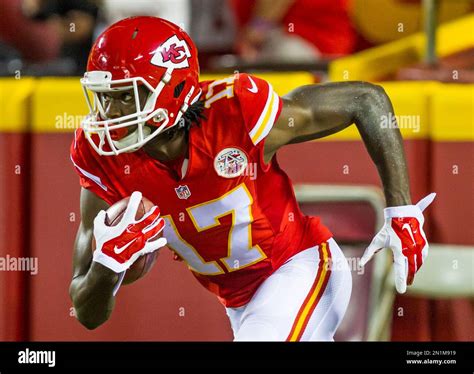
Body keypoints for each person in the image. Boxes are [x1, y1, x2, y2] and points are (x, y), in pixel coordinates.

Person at [69, 16, 435, 341]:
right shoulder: (102, 156)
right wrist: (107, 267)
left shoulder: (234, 110)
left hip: (301, 266)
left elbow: (366, 100)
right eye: (103, 99)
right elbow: (86, 313)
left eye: (125, 98)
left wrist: (401, 209)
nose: (109, 115)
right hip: (242, 304)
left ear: (173, 90)